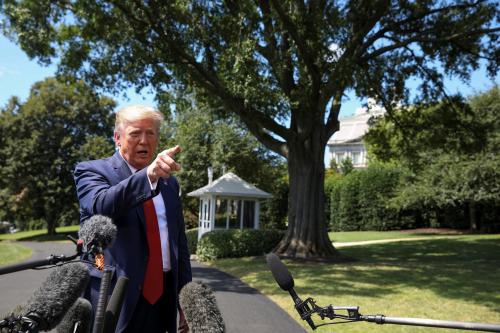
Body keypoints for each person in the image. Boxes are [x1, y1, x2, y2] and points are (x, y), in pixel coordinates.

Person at [74, 105, 192, 333]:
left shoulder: (169, 183)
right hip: (113, 298)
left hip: (163, 299)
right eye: (135, 133)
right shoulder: (91, 171)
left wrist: (185, 300)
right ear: (117, 138)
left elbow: (179, 245)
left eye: (151, 134)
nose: (144, 141)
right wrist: (147, 176)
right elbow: (101, 205)